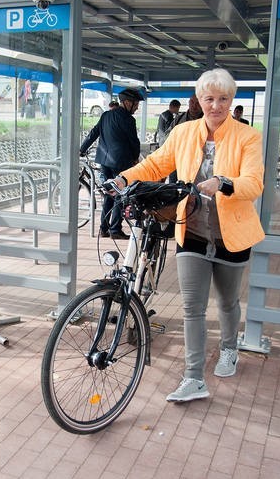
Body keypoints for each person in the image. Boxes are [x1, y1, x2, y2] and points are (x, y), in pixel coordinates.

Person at [107, 68, 264, 402]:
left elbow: (254, 181)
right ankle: (193, 378)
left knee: (226, 302)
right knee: (192, 307)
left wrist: (224, 182)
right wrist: (123, 178)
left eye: (223, 99)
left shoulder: (248, 137)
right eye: (210, 99)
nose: (216, 106)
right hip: (191, 231)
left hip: (231, 236)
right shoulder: (184, 132)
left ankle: (228, 348)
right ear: (199, 100)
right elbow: (156, 164)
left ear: (231, 100)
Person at [80, 87, 144, 239]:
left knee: (109, 194)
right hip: (120, 162)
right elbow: (133, 141)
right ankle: (115, 229)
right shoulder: (128, 120)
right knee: (121, 194)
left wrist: (82, 149)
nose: (136, 107)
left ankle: (104, 228)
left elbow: (93, 133)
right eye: (135, 104)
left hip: (104, 161)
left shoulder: (106, 115)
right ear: (127, 102)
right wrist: (135, 158)